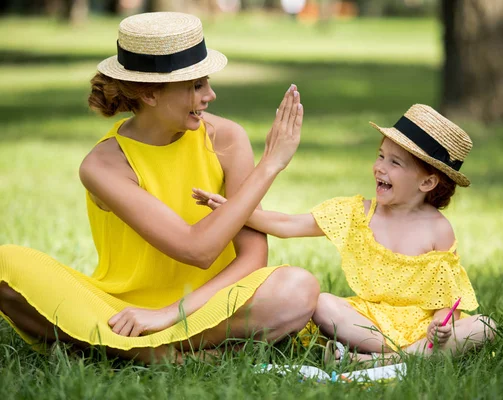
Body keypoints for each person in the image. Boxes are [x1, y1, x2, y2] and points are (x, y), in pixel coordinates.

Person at [0, 11, 320, 364]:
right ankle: (170, 353)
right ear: (149, 93)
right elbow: (196, 249)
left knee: (296, 288)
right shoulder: (104, 165)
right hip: (122, 309)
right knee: (5, 264)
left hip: (212, 303)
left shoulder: (227, 138)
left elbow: (253, 256)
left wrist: (170, 314)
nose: (210, 95)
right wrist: (270, 165)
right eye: (195, 86)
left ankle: (135, 349)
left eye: (206, 81)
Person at [192, 104, 497, 365]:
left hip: (422, 326)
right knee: (323, 303)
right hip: (370, 321)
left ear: (427, 183)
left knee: (485, 324)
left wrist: (439, 325)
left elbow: (445, 297)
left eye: (395, 163)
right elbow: (287, 224)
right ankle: (413, 357)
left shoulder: (438, 230)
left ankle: (382, 360)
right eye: (380, 156)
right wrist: (234, 209)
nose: (380, 168)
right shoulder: (356, 213)